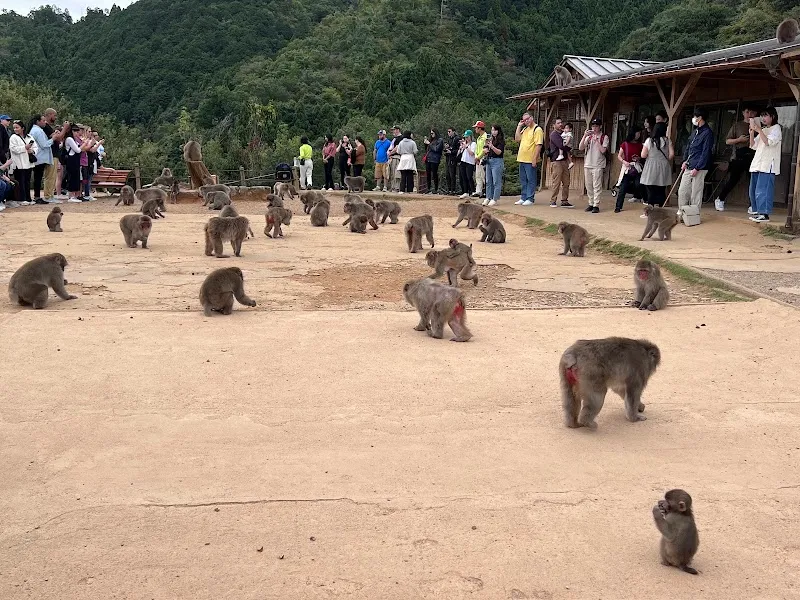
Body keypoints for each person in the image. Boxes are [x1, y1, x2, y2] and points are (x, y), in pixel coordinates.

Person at [714, 105, 758, 212]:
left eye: (752, 112)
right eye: (747, 112)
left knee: (753, 180)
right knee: (733, 179)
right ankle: (720, 199)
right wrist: (738, 139)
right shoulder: (737, 125)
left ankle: (753, 205)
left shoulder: (758, 126)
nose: (749, 115)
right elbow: (727, 141)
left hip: (754, 155)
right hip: (739, 155)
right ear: (743, 113)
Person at [748, 106, 782, 223]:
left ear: (772, 116)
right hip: (758, 164)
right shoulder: (764, 130)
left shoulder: (776, 128)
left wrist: (759, 130)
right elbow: (753, 145)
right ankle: (757, 211)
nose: (763, 118)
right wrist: (752, 132)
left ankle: (764, 214)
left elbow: (768, 142)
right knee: (754, 190)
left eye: (765, 115)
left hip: (768, 165)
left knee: (763, 190)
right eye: (762, 116)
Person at [677, 107, 714, 215]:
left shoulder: (708, 133)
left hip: (699, 167)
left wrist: (698, 167)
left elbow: (706, 152)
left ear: (700, 118)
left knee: (696, 193)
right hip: (689, 164)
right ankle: (682, 212)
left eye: (695, 116)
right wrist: (684, 161)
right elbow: (688, 147)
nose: (693, 118)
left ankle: (694, 215)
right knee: (683, 190)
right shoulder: (695, 132)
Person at [639, 122, 674, 208]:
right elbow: (671, 155)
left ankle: (650, 210)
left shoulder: (649, 141)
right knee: (661, 189)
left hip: (651, 166)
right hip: (664, 166)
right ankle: (660, 210)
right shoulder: (667, 141)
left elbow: (643, 155)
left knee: (650, 189)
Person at [579, 118, 609, 213]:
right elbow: (580, 147)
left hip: (598, 164)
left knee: (597, 185)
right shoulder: (589, 137)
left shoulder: (604, 137)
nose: (594, 128)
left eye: (596, 126)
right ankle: (591, 203)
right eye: (593, 126)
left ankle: (596, 204)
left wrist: (597, 141)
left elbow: (603, 150)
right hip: (588, 163)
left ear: (600, 126)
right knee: (588, 185)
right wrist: (584, 136)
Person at [514, 112, 543, 206]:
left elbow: (539, 145)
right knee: (523, 179)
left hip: (530, 159)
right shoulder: (525, 129)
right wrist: (519, 127)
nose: (526, 121)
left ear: (532, 118)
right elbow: (517, 139)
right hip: (522, 158)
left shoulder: (537, 129)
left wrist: (534, 159)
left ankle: (530, 198)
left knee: (531, 179)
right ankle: (523, 197)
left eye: (527, 119)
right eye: (524, 120)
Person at [614, 126, 644, 212]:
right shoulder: (625, 144)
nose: (638, 135)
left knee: (639, 184)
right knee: (623, 188)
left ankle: (638, 197)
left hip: (637, 167)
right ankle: (618, 207)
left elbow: (643, 156)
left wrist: (639, 159)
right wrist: (624, 162)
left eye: (639, 133)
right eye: (637, 133)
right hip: (627, 167)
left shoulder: (640, 145)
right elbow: (619, 156)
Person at [8, 120, 35, 205]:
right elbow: (13, 149)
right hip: (18, 163)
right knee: (20, 181)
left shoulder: (29, 136)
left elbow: (35, 147)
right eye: (14, 128)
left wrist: (32, 151)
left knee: (27, 181)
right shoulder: (13, 137)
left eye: (17, 127)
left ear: (22, 128)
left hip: (28, 162)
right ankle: (21, 199)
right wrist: (24, 148)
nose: (15, 129)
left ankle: (28, 198)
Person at [548, 118, 573, 208]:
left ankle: (564, 200)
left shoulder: (563, 133)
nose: (560, 124)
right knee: (556, 181)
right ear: (554, 125)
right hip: (556, 160)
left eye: (561, 122)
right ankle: (553, 200)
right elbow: (561, 146)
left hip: (564, 160)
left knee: (566, 181)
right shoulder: (554, 135)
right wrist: (569, 149)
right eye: (558, 123)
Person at [42, 108, 63, 200]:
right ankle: (48, 195)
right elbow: (58, 138)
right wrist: (64, 129)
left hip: (54, 154)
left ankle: (51, 194)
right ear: (49, 115)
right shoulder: (46, 126)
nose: (55, 117)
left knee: (53, 175)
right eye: (54, 115)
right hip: (51, 154)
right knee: (50, 176)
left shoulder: (49, 127)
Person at [61, 122, 84, 203]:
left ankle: (74, 195)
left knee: (76, 177)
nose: (77, 134)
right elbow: (77, 150)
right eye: (76, 132)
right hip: (71, 160)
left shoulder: (73, 139)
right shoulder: (69, 139)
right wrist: (83, 145)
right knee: (72, 177)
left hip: (75, 160)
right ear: (72, 131)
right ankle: (71, 195)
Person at [483, 124, 505, 207]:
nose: (493, 132)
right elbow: (485, 148)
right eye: (492, 130)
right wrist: (485, 149)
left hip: (497, 161)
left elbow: (499, 152)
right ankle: (488, 197)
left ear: (498, 131)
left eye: (495, 130)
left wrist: (492, 147)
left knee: (496, 181)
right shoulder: (490, 139)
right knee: (488, 181)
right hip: (489, 160)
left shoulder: (501, 140)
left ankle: (495, 198)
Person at [424, 128, 443, 194]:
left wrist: (429, 144)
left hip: (435, 159)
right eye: (431, 133)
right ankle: (428, 188)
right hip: (428, 158)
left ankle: (436, 188)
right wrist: (426, 144)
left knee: (434, 174)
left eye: (432, 133)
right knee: (428, 174)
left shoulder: (440, 140)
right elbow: (427, 150)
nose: (431, 135)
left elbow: (436, 149)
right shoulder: (431, 140)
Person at [458, 130, 476, 198]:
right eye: (465, 137)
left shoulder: (473, 144)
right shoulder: (465, 144)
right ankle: (465, 192)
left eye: (467, 137)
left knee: (469, 177)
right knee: (463, 177)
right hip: (463, 161)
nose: (466, 139)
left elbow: (471, 153)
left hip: (470, 162)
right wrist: (461, 148)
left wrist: (466, 147)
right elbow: (460, 153)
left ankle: (472, 190)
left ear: (471, 137)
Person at [473, 120, 487, 198]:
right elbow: (477, 149)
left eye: (476, 127)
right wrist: (476, 157)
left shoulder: (485, 137)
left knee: (483, 175)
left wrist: (478, 157)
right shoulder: (478, 138)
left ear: (480, 128)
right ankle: (478, 191)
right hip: (478, 158)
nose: (475, 129)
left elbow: (484, 149)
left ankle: (485, 191)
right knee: (478, 175)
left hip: (483, 158)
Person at [444, 127, 460, 195]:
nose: (448, 133)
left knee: (452, 174)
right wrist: (446, 148)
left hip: (453, 158)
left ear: (453, 131)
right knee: (448, 175)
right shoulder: (449, 139)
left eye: (449, 131)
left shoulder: (457, 139)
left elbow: (458, 149)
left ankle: (453, 190)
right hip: (448, 158)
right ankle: (449, 189)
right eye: (448, 132)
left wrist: (451, 151)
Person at [388, 125, 402, 192]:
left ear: (397, 130)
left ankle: (396, 187)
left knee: (396, 173)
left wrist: (390, 153)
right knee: (392, 173)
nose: (393, 131)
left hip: (397, 157)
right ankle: (392, 186)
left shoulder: (400, 138)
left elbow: (397, 147)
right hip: (392, 157)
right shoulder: (395, 138)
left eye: (394, 130)